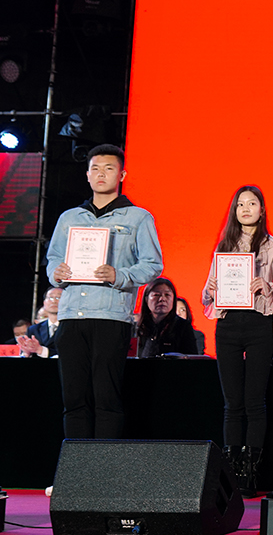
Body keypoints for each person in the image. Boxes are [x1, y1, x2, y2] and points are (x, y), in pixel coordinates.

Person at [46, 144, 163, 439]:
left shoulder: (138, 218)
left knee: (106, 398)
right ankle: (77, 465)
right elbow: (53, 258)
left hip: (111, 317)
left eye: (109, 169)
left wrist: (120, 275)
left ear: (121, 175)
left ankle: (105, 466)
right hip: (71, 316)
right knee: (74, 400)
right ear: (87, 175)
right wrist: (55, 273)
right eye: (95, 169)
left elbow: (153, 265)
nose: (101, 174)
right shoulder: (70, 218)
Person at [200, 184, 273, 494]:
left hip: (258, 325)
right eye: (240, 204)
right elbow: (206, 294)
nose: (245, 209)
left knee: (254, 402)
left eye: (252, 203)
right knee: (232, 404)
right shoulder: (224, 245)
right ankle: (230, 474)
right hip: (227, 325)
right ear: (234, 210)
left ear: (262, 210)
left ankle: (250, 475)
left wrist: (267, 286)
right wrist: (210, 289)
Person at [135, 279, 201, 357]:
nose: (162, 299)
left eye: (167, 295)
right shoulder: (136, 327)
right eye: (156, 295)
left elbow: (191, 358)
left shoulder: (183, 326)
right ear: (146, 299)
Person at [20, 287, 62, 358]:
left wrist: (41, 350)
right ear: (44, 303)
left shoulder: (73, 328)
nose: (54, 301)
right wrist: (26, 353)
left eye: (58, 298)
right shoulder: (33, 329)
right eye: (50, 298)